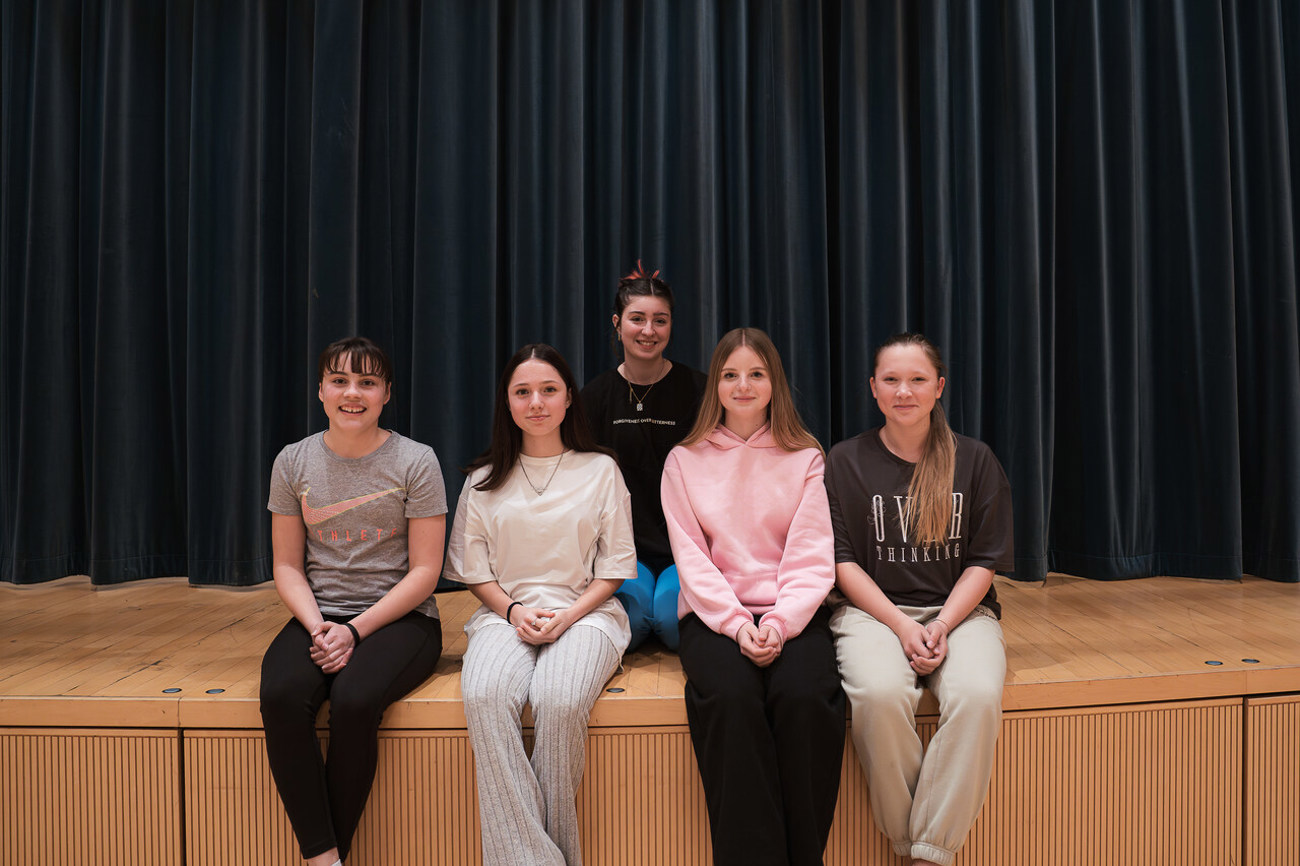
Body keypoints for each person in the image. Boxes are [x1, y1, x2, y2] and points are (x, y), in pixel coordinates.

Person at [825, 332, 1014, 866]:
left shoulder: (975, 461)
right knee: (880, 695)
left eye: (917, 380)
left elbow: (984, 561)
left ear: (939, 388)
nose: (903, 391)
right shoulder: (843, 461)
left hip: (962, 611)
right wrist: (904, 627)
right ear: (873, 389)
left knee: (976, 696)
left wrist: (944, 623)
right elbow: (842, 564)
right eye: (891, 380)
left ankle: (927, 853)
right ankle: (913, 846)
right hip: (871, 611)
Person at [445, 343, 636, 866]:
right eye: (522, 391)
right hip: (504, 614)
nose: (536, 402)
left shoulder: (600, 470)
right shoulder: (481, 481)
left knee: (558, 699)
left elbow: (615, 569)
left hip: (588, 613)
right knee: (484, 695)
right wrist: (512, 612)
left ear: (569, 398)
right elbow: (474, 572)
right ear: (507, 404)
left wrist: (568, 616)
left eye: (548, 390)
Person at [661, 327, 845, 866]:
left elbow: (811, 554)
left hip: (793, 612)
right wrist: (739, 625)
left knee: (807, 699)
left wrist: (782, 623)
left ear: (774, 383)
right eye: (731, 374)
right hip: (718, 616)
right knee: (732, 702)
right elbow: (692, 560)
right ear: (715, 383)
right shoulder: (684, 459)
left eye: (756, 374)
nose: (743, 385)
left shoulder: (806, 456)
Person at [260, 337, 446, 866]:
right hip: (319, 617)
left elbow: (425, 573)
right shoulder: (293, 461)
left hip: (400, 618)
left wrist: (355, 631)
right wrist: (320, 626)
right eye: (339, 380)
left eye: (367, 382)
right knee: (280, 696)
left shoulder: (416, 460)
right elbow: (287, 566)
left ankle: (328, 855)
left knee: (355, 701)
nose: (352, 393)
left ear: (386, 392)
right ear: (320, 390)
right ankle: (326, 860)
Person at [582, 261, 706, 650]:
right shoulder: (595, 397)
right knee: (633, 627)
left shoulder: (699, 391)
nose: (649, 331)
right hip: (622, 552)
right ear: (617, 323)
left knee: (670, 626)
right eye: (637, 319)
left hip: (683, 549)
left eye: (660, 320)